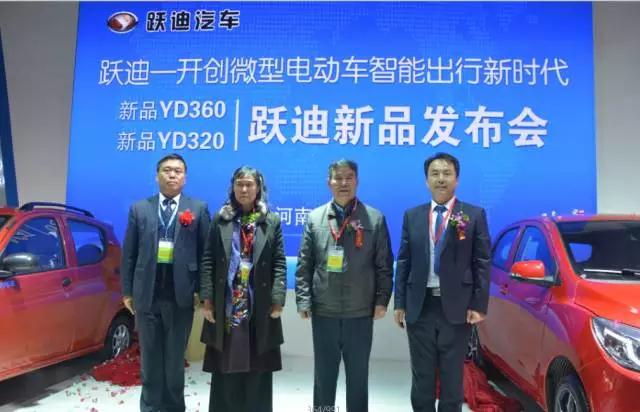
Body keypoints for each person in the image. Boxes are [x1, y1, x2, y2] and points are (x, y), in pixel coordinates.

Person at [394, 152, 491, 412]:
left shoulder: (473, 214)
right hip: (420, 305)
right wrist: (400, 302)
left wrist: (479, 305)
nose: (441, 179)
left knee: (452, 375)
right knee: (422, 374)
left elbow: (482, 262)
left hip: (458, 308)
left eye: (447, 173)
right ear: (426, 180)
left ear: (456, 179)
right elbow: (404, 261)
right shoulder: (412, 216)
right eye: (435, 174)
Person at [295, 159, 394, 412]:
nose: (343, 183)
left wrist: (382, 300)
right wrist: (304, 300)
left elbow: (384, 265)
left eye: (349, 177)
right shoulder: (315, 218)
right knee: (324, 376)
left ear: (357, 181)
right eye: (338, 178)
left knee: (358, 376)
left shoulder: (374, 218)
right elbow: (305, 264)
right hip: (324, 310)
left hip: (360, 311)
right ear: (328, 183)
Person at [121, 153, 210, 412]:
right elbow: (129, 253)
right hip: (146, 295)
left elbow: (205, 254)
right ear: (157, 175)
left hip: (181, 295)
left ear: (185, 177)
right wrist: (127, 290)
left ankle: (173, 407)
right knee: (149, 358)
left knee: (174, 359)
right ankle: (150, 407)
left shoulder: (197, 208)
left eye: (177, 171)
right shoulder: (140, 209)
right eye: (167, 170)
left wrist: (203, 292)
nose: (172, 175)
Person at [199, 166, 286, 412]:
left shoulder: (270, 221)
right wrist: (207, 298)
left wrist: (278, 298)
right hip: (227, 304)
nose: (244, 189)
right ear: (233, 187)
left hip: (258, 304)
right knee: (226, 365)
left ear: (258, 188)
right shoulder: (221, 219)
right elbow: (208, 260)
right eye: (239, 184)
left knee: (258, 365)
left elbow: (279, 262)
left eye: (249, 184)